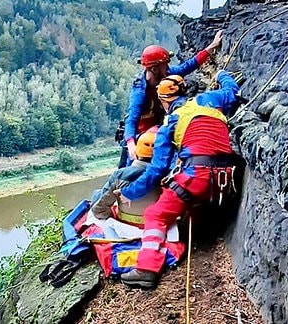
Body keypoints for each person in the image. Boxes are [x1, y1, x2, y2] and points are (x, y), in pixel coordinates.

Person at [114, 71, 240, 289]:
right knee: (189, 201)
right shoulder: (210, 99)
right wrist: (222, 74)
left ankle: (146, 269)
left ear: (165, 101)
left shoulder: (171, 121)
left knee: (156, 214)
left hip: (197, 178)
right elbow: (233, 91)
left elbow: (157, 169)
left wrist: (129, 192)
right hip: (227, 180)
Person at [118, 30, 225, 169]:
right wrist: (131, 144)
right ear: (155, 69)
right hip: (142, 139)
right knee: (133, 170)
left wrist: (210, 48)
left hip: (160, 130)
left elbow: (187, 66)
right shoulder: (140, 91)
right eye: (165, 65)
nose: (168, 68)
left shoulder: (165, 75)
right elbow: (132, 119)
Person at [92, 126, 160, 227]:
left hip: (125, 225)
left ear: (137, 150)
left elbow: (98, 209)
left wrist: (111, 217)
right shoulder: (167, 177)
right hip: (156, 227)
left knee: (97, 194)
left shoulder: (120, 175)